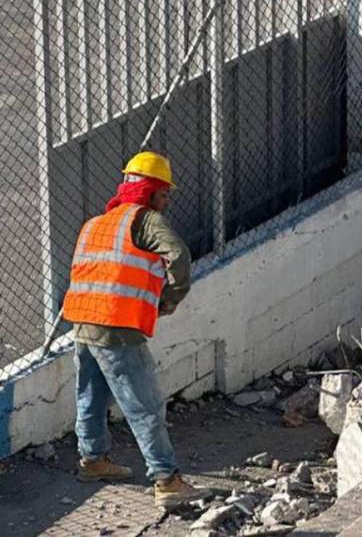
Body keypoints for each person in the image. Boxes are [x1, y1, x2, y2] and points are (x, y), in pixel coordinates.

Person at [63, 150, 210, 508]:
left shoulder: (96, 223)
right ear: (150, 191)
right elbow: (178, 255)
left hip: (82, 319)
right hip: (116, 325)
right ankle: (166, 479)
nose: (167, 201)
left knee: (91, 395)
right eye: (165, 193)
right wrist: (169, 300)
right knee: (144, 404)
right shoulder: (144, 220)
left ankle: (93, 461)